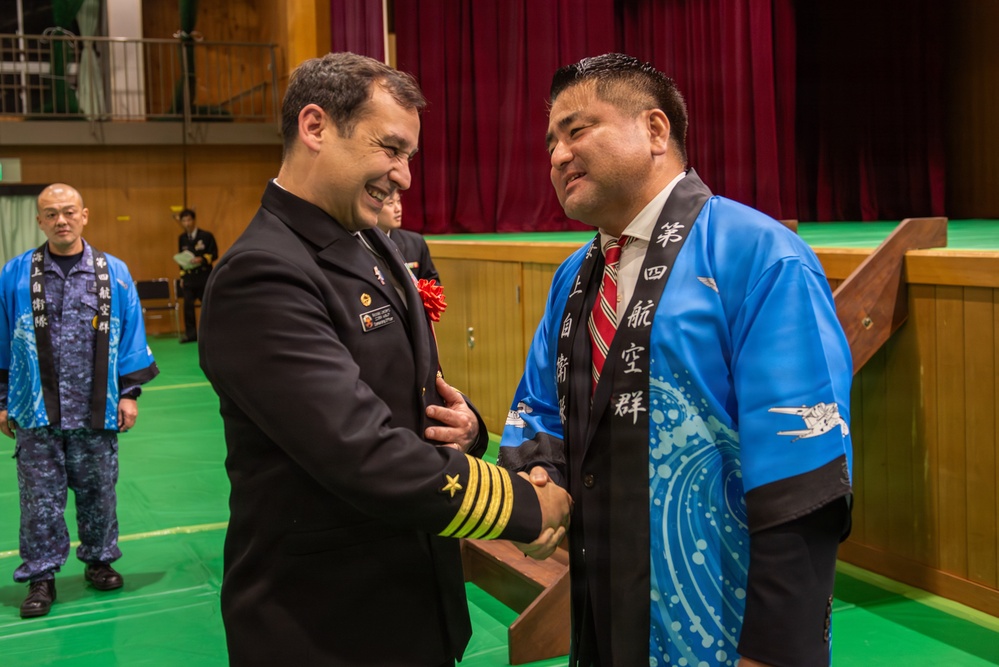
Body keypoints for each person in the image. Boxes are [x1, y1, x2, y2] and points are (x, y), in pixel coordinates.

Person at [197, 52, 572, 666]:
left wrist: (466, 425)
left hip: (414, 601)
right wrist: (524, 506)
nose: (402, 176)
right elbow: (360, 449)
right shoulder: (262, 274)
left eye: (409, 157)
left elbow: (415, 389)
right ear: (314, 127)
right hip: (326, 624)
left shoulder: (375, 242)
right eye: (389, 149)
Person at [499, 54, 854, 667]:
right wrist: (539, 482)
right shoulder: (573, 277)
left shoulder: (758, 255)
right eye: (551, 140)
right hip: (603, 602)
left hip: (721, 615)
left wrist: (775, 649)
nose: (557, 155)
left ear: (656, 131)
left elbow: (805, 470)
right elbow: (539, 407)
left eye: (577, 130)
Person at [0, 183, 159, 619]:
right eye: (50, 214)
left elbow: (131, 334)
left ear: (85, 215)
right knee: (39, 498)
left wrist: (129, 394)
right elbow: (1, 342)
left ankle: (99, 560)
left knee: (97, 491)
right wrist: (1, 399)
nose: (61, 220)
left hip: (97, 407)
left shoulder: (114, 272)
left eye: (68, 212)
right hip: (35, 410)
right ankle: (41, 576)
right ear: (39, 221)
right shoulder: (14, 274)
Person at [375, 191, 441, 283]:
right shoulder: (360, 243)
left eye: (398, 201)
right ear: (373, 207)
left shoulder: (416, 243)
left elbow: (431, 282)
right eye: (390, 203)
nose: (398, 209)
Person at [175, 208, 217, 343]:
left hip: (204, 277)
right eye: (184, 221)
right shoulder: (181, 238)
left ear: (193, 220)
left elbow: (214, 253)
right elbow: (181, 259)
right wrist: (182, 277)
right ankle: (191, 334)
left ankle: (210, 333)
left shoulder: (206, 236)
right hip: (189, 278)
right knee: (187, 306)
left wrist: (202, 259)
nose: (187, 223)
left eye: (189, 220)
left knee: (208, 306)